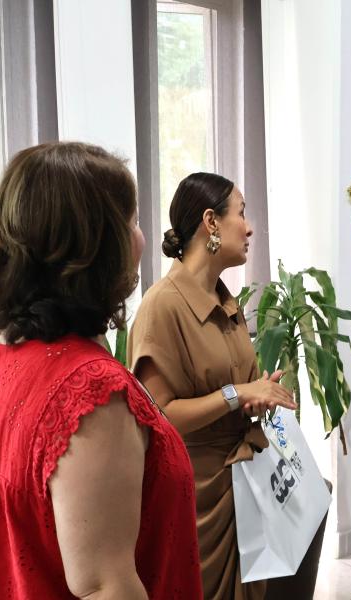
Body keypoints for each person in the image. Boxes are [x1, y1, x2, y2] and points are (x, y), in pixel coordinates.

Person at [0, 142, 202, 598]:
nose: (143, 236)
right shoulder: (91, 395)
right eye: (132, 221)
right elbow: (107, 588)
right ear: (97, 246)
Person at [127, 173, 297, 600]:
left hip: (244, 489)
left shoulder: (227, 301)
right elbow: (158, 417)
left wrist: (259, 393)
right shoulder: (161, 306)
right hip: (195, 501)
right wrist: (238, 394)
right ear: (211, 222)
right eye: (241, 212)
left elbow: (238, 388)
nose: (250, 226)